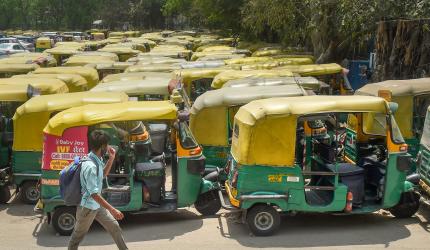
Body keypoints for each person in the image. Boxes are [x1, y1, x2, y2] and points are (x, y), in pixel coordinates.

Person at [68, 130, 128, 250]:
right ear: (102, 146)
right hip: (87, 208)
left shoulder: (95, 158)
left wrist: (111, 159)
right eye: (107, 144)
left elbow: (103, 175)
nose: (108, 147)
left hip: (97, 205)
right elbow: (94, 194)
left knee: (114, 226)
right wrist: (112, 209)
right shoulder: (90, 166)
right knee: (76, 238)